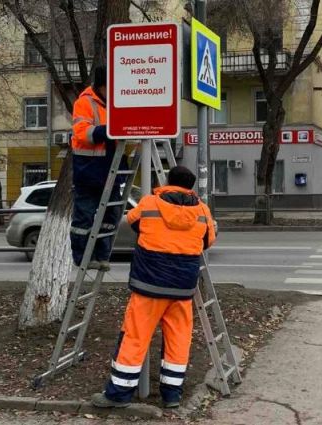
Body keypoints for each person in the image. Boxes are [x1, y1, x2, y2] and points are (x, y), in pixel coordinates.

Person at [91, 166, 217, 409]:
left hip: (148, 284)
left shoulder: (150, 203)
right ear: (190, 186)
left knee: (135, 337)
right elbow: (208, 241)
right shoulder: (202, 210)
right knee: (178, 339)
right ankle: (172, 395)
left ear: (168, 181)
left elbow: (131, 222)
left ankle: (118, 394)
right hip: (182, 288)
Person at [70, 66, 127, 271]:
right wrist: (112, 129)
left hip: (112, 169)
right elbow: (83, 134)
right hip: (89, 171)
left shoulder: (114, 103)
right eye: (110, 87)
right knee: (84, 218)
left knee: (111, 216)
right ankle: (83, 258)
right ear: (101, 86)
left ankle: (102, 256)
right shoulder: (84, 103)